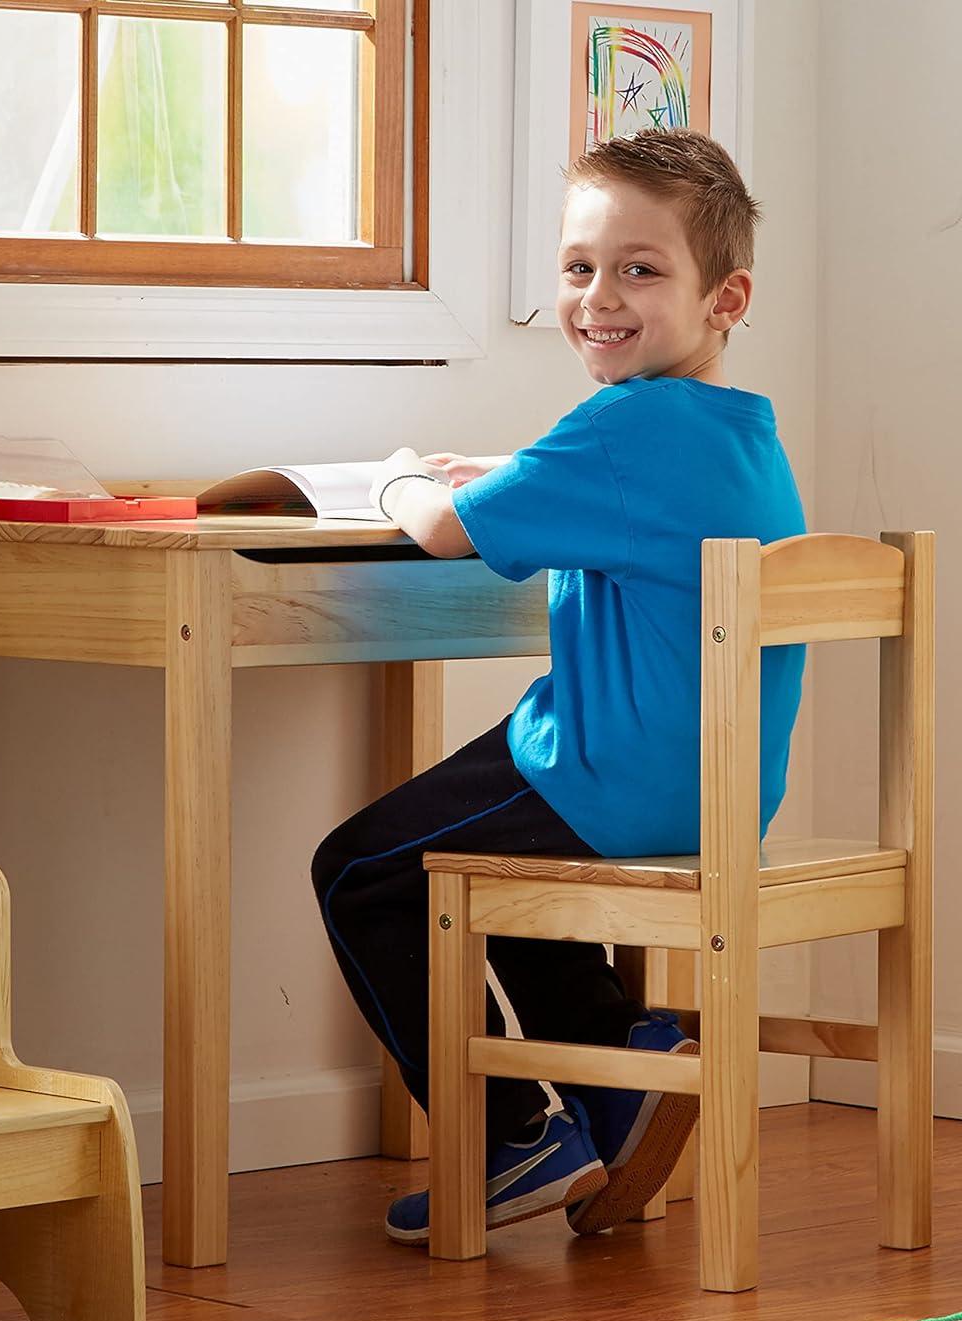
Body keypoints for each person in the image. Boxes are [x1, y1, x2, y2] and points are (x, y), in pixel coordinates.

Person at [311, 128, 807, 1245]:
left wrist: (398, 477)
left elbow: (443, 533)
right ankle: (620, 1077)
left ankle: (504, 1138)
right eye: (579, 268)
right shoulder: (736, 430)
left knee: (358, 869)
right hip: (713, 790)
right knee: (495, 869)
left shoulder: (626, 424)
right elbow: (585, 492)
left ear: (725, 298)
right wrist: (506, 477)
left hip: (610, 775)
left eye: (641, 269)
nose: (599, 297)